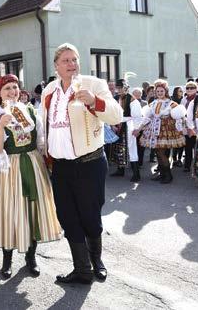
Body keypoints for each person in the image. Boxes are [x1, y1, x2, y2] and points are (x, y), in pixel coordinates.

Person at [39, 43, 122, 284]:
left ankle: (96, 261)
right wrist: (42, 152)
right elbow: (45, 126)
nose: (72, 64)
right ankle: (82, 269)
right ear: (56, 65)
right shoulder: (49, 91)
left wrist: (94, 101)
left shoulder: (93, 84)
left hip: (89, 163)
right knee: (66, 216)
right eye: (66, 60)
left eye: (74, 60)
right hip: (60, 166)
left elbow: (116, 115)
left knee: (90, 215)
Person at [0, 74, 62, 279]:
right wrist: (0, 126)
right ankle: (7, 261)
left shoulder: (31, 111)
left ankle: (31, 258)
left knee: (32, 211)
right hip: (9, 169)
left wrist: (48, 165)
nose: (12, 92)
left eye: (15, 87)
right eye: (7, 89)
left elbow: (41, 142)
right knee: (10, 212)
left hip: (33, 165)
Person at [133, 80, 186, 183]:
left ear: (165, 91)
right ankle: (162, 173)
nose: (159, 93)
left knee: (162, 153)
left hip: (166, 131)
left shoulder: (171, 103)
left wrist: (181, 127)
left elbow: (180, 116)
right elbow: (147, 118)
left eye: (161, 91)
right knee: (158, 152)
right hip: (154, 130)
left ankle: (168, 175)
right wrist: (139, 129)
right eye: (158, 91)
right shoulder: (153, 103)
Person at [109, 78, 143, 182]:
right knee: (118, 147)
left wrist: (137, 129)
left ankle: (136, 174)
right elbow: (111, 113)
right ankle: (120, 169)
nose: (119, 90)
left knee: (131, 148)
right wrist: (112, 125)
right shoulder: (114, 98)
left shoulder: (132, 99)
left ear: (126, 88)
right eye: (117, 88)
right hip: (117, 125)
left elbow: (137, 116)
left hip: (129, 125)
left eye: (121, 88)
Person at [180, 81, 198, 172]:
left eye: (192, 88)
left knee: (197, 148)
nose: (189, 89)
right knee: (188, 147)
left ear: (196, 89)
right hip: (186, 126)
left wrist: (194, 127)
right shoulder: (183, 99)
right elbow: (181, 113)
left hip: (197, 127)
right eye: (187, 88)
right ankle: (187, 165)